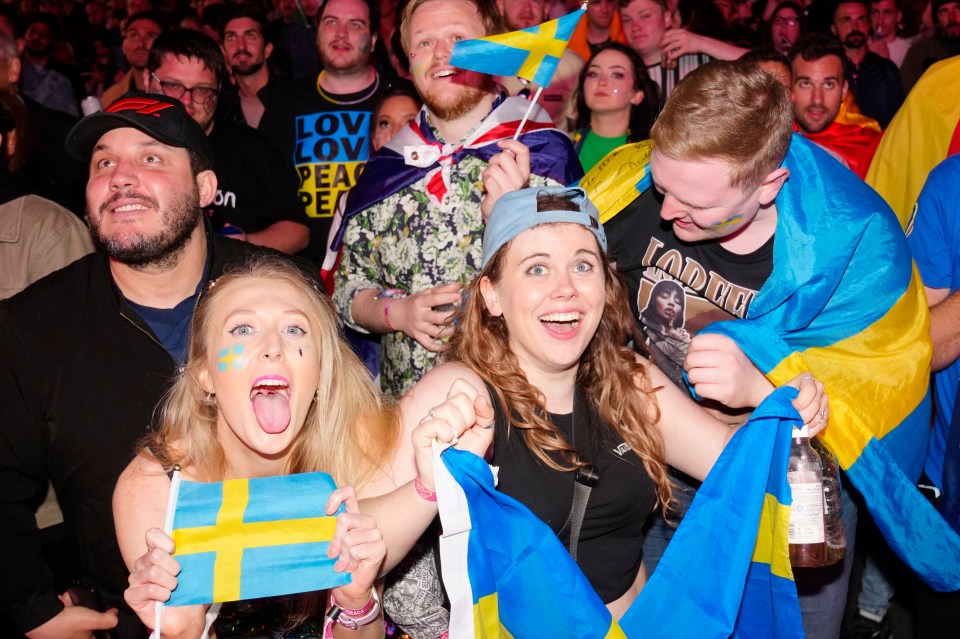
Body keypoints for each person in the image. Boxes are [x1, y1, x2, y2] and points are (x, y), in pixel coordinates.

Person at [586, 60, 931, 639]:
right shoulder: (638, 192)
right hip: (655, 467)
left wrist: (764, 387)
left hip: (785, 491)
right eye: (662, 185)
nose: (667, 213)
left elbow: (876, 380)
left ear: (769, 183)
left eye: (693, 205)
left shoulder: (851, 242)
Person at [374, 185, 826, 623]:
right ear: (492, 295)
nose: (565, 289)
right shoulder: (457, 393)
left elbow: (742, 466)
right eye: (536, 269)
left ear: (605, 286)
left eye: (583, 266)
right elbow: (358, 538)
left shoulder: (629, 379)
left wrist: (765, 397)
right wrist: (426, 489)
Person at [0, 91, 313, 639]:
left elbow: (348, 432)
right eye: (103, 163)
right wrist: (32, 608)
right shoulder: (32, 328)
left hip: (289, 612)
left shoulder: (283, 295)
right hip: (129, 617)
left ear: (205, 188)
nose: (121, 177)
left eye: (150, 158)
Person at [114, 255, 393, 638]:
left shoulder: (354, 452)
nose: (272, 347)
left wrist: (356, 600)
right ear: (206, 375)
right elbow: (179, 625)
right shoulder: (155, 488)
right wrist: (181, 630)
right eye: (242, 329)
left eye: (295, 329)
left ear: (321, 371)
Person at [333, 0, 582, 397]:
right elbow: (348, 289)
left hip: (524, 414)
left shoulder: (545, 155)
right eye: (425, 43)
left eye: (459, 39)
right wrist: (394, 312)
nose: (442, 54)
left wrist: (514, 213)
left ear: (494, 46)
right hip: (408, 420)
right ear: (407, 60)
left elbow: (581, 291)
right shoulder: (385, 168)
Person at [145, 29, 309, 255]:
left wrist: (241, 245)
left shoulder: (252, 150)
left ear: (219, 91)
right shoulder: (122, 147)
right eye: (172, 85)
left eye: (202, 90)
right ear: (148, 80)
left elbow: (299, 232)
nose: (186, 101)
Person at [788, 33, 881, 178]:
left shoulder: (868, 147)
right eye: (806, 84)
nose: (817, 99)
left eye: (828, 84)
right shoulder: (770, 138)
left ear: (844, 90)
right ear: (789, 89)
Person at [493, 0, 584, 132]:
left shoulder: (570, 65)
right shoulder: (481, 64)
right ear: (500, 6)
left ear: (546, 9)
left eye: (536, 0)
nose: (527, 6)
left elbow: (579, 130)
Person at [571, 42, 659, 172]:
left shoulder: (651, 157)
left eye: (617, 75)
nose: (602, 82)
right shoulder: (562, 145)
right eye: (593, 74)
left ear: (637, 95)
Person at [831, 0, 904, 128]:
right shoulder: (829, 70)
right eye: (846, 20)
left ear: (869, 24)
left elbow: (900, 120)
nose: (855, 27)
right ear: (834, 28)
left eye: (861, 19)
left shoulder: (886, 69)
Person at [101, 10, 165, 106]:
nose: (141, 44)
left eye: (151, 36)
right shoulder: (111, 98)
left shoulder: (181, 95)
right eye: (134, 35)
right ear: (123, 46)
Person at [900, 0, 960, 90]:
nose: (952, 17)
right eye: (944, 11)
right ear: (936, 19)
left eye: (958, 9)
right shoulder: (919, 54)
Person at [868, 0, 915, 66]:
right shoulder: (860, 45)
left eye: (887, 13)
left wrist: (887, 64)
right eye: (876, 13)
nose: (880, 21)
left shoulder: (908, 52)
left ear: (898, 16)